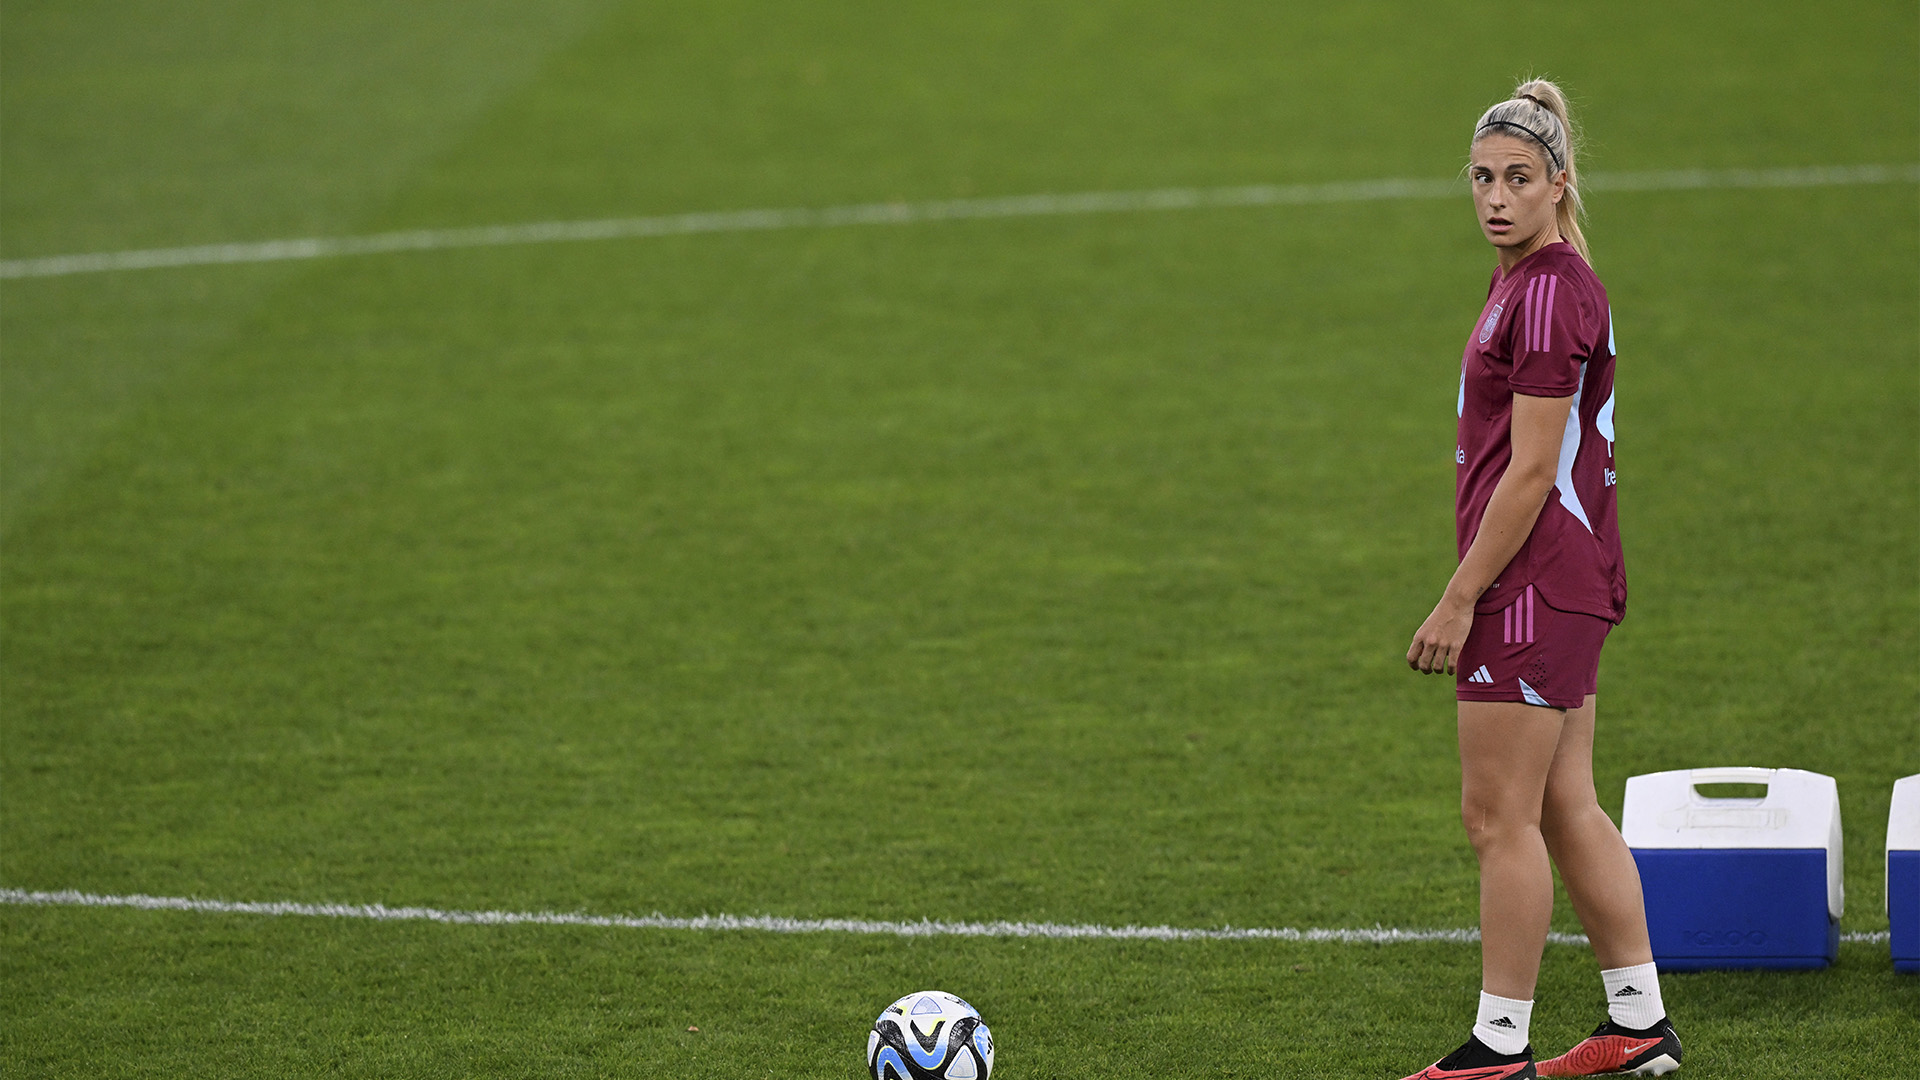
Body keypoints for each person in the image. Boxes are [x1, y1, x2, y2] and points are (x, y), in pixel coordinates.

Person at [1399, 80, 1683, 1080]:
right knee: (1567, 804)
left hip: (1529, 582)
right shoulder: (1531, 279)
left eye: (1519, 179)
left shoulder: (1552, 288)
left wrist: (1458, 595)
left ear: (1561, 184)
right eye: (1482, 178)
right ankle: (1639, 1024)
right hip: (1566, 576)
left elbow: (1531, 469)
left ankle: (1498, 1047)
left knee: (1498, 819)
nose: (1495, 197)